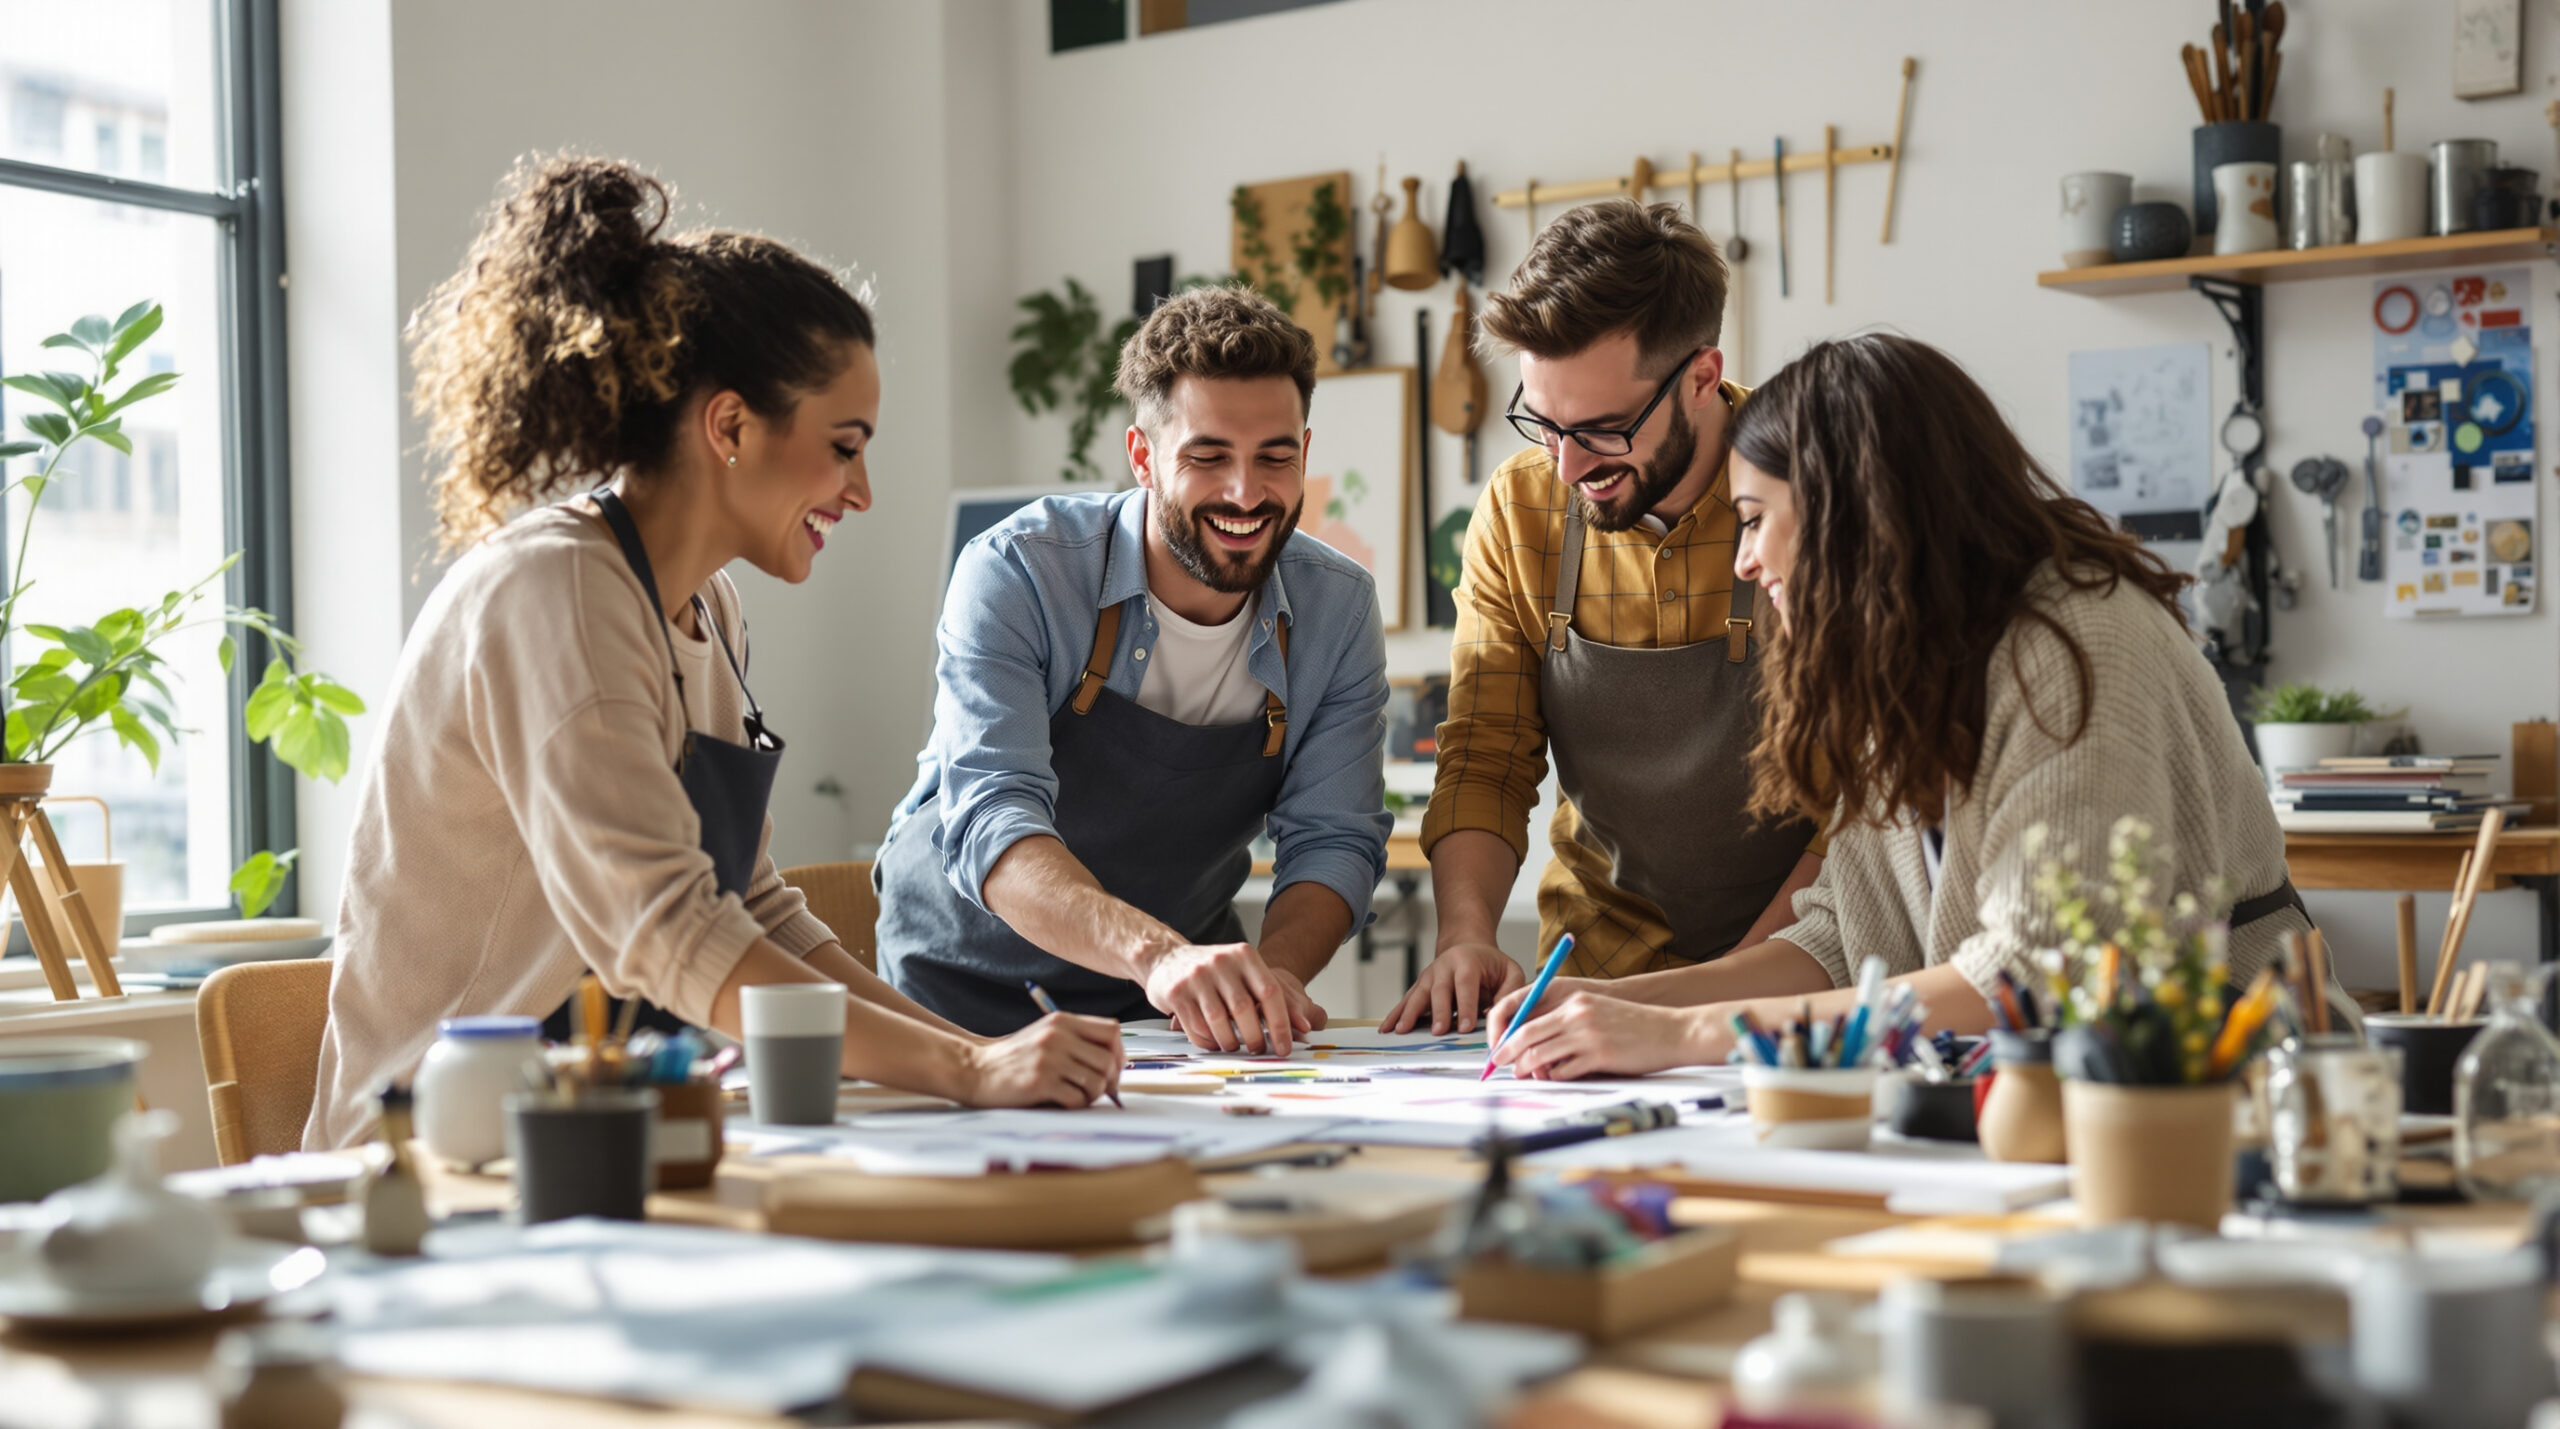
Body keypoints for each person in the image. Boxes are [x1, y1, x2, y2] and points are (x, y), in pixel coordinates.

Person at [305, 158, 1122, 1149]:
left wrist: (985, 1053)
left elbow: (753, 911)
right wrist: (968, 1070)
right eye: (845, 444)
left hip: (596, 1130)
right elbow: (666, 928)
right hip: (440, 1154)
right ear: (730, 425)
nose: (862, 491)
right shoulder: (557, 591)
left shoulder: (707, 607)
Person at [1486, 333, 2311, 1080]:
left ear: (1848, 512)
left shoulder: (2080, 642)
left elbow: (2039, 971)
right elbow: (1840, 940)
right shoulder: (1903, 664)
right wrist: (1622, 1002)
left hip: (2225, 1094)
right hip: (2046, 1095)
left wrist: (1687, 1032)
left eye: (1755, 520)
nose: (1745, 561)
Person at [873, 286, 1390, 1052]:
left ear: (1305, 454)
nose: (1246, 492)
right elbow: (993, 816)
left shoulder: (1337, 608)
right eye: (1208, 456)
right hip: (961, 994)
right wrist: (1156, 955)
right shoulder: (1018, 571)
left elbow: (1334, 838)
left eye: (1275, 457)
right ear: (1143, 457)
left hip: (1174, 1016)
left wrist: (1273, 977)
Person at [1385, 201, 1824, 1036]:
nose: (1567, 466)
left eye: (1602, 429)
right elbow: (1485, 754)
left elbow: (1860, 800)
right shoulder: (1521, 509)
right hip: (1590, 977)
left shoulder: (1811, 489)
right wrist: (1466, 934)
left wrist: (1716, 999)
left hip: (1801, 978)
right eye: (1544, 423)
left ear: (1702, 377)